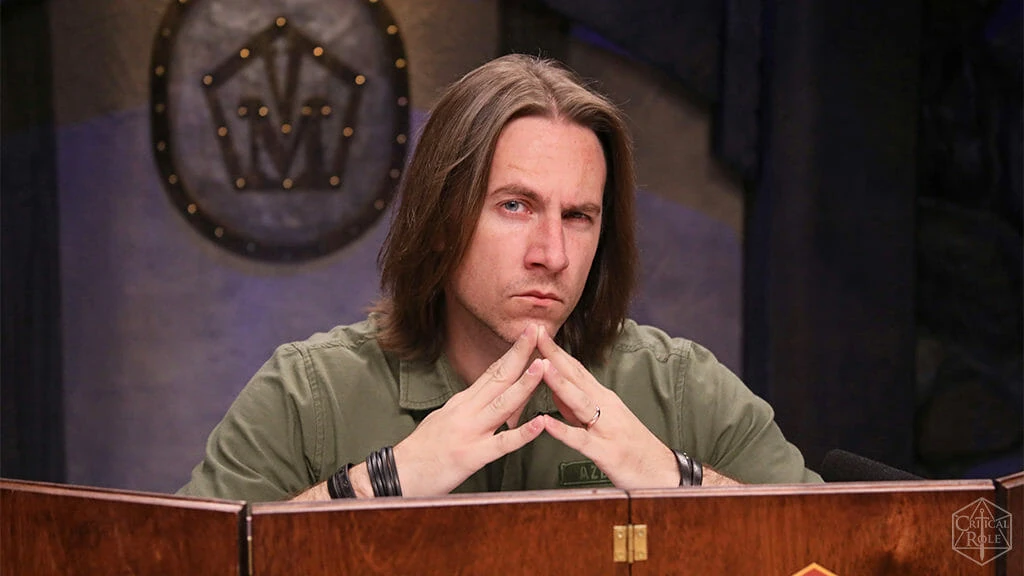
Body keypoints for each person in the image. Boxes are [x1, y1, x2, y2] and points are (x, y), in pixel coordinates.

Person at [179, 54, 822, 502]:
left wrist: (679, 481)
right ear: (441, 220)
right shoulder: (308, 395)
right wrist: (383, 481)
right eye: (516, 206)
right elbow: (188, 560)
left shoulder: (680, 388)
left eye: (578, 216)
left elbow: (837, 550)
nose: (552, 254)